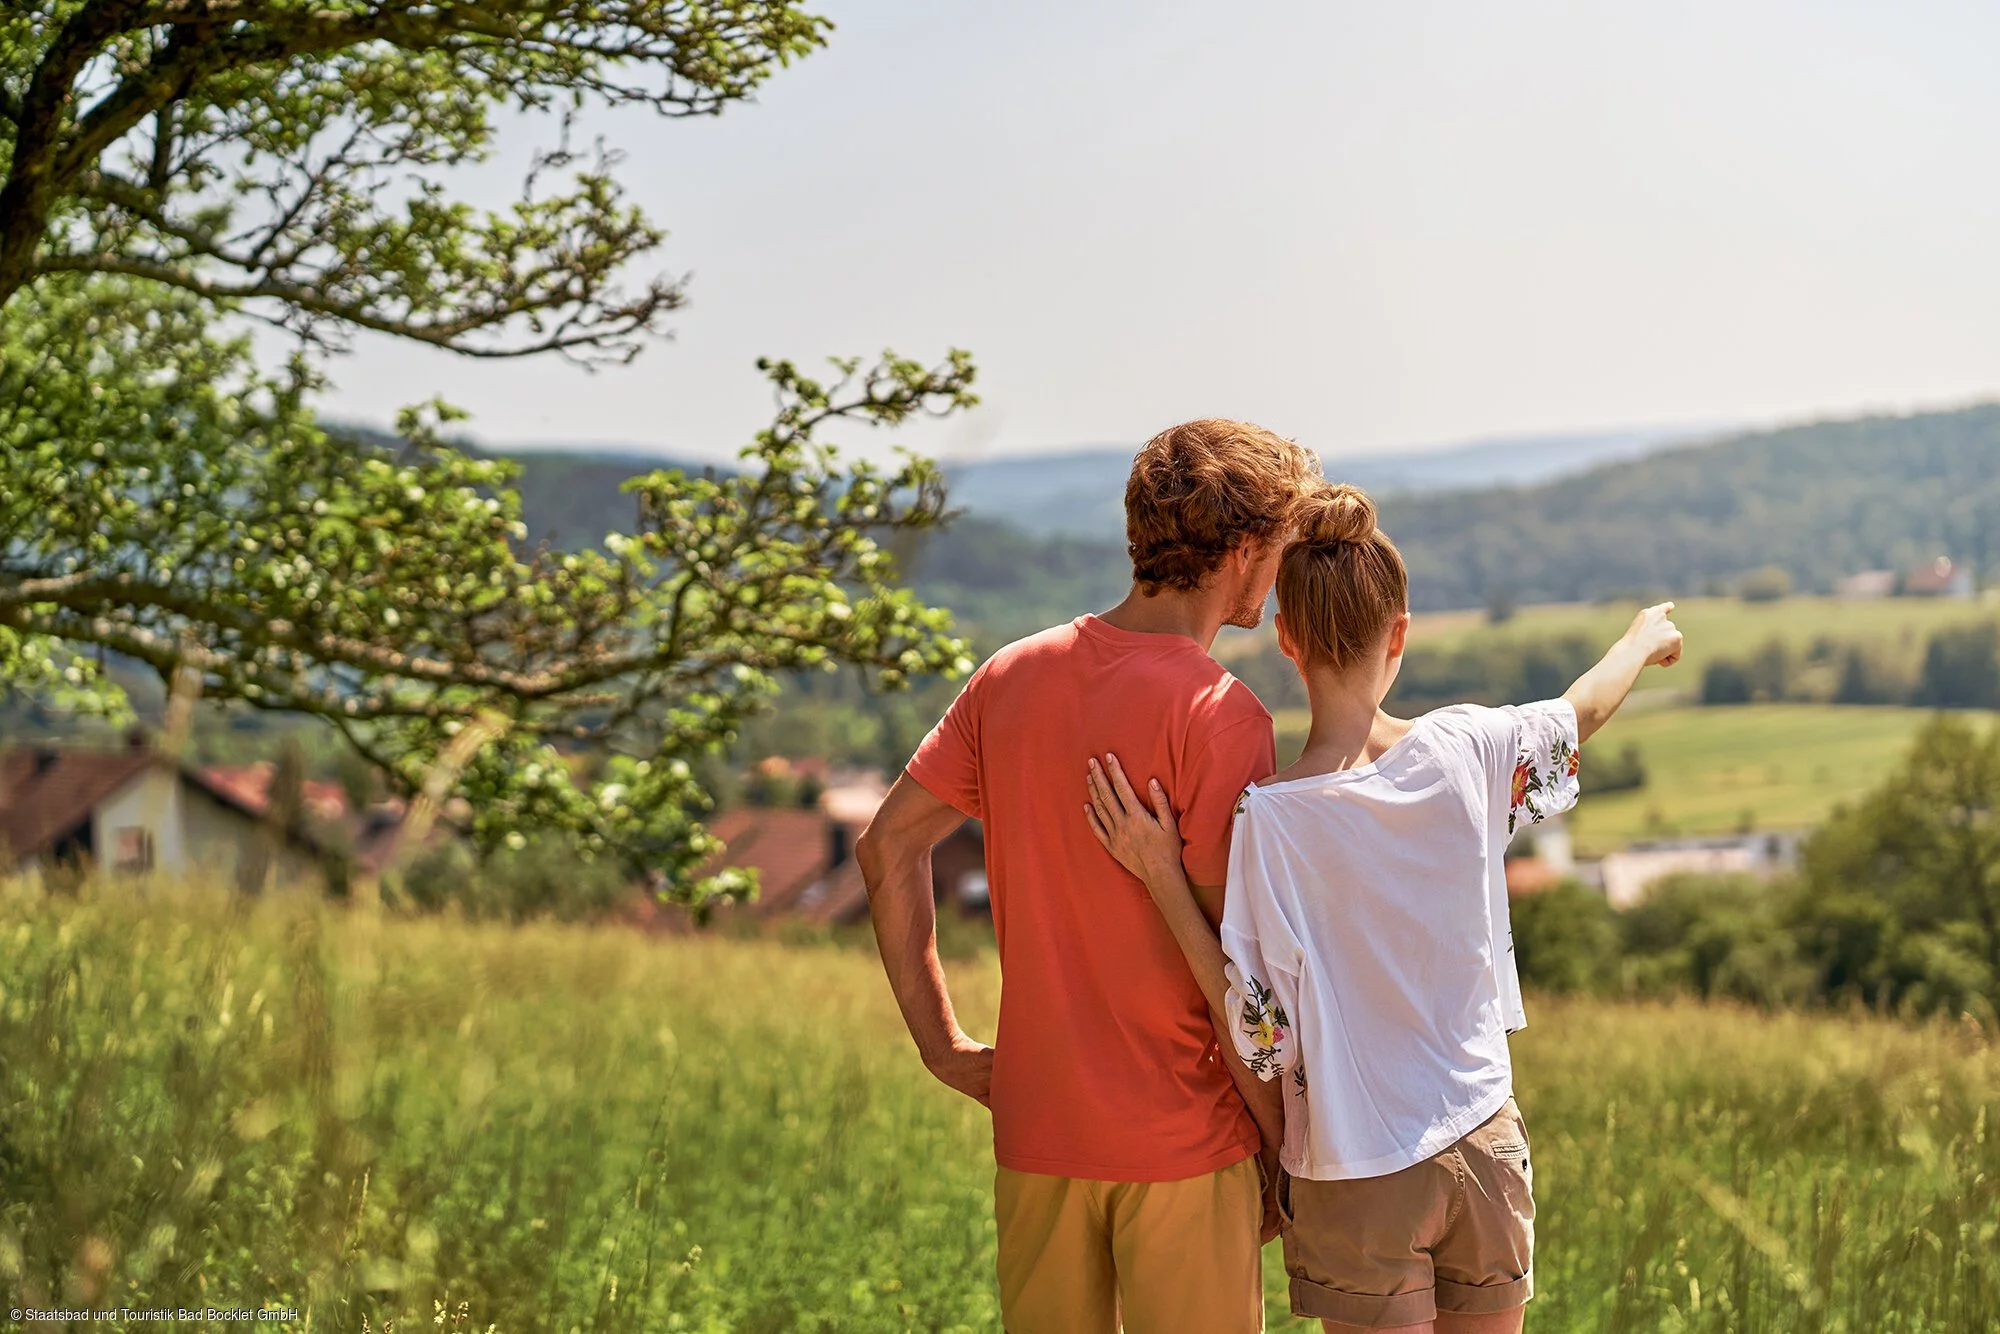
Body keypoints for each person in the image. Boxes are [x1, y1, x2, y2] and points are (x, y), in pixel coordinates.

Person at [1083, 483, 1683, 1333]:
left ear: (1287, 642)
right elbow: (1580, 711)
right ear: (1399, 633)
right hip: (1484, 1142)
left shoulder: (1269, 823)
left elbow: (1259, 1033)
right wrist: (1640, 638)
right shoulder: (1468, 750)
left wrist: (1159, 874)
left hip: (1353, 1170)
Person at [856, 419, 1323, 1333]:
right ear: (1242, 550)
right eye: (1282, 550)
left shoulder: (1010, 675)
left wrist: (942, 1045)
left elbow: (885, 848)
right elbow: (1238, 973)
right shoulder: (1223, 718)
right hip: (1186, 1144)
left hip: (1039, 1136)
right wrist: (1282, 1145)